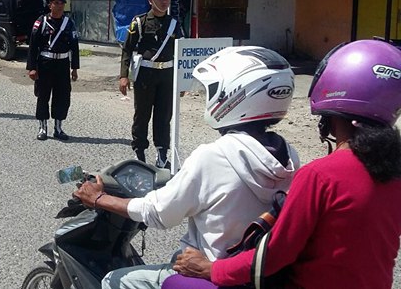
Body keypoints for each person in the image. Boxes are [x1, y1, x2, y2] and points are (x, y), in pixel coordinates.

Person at [169, 39, 401, 289]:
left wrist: (211, 268)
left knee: (175, 283)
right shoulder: (395, 175)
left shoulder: (320, 176)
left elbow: (274, 256)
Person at [73, 46, 299, 289]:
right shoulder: (289, 156)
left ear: (234, 94)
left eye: (212, 90)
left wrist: (98, 198)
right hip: (251, 273)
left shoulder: (213, 156)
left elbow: (158, 213)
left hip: (210, 271)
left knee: (113, 280)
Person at [119, 0, 183, 168]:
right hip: (146, 75)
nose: (164, 2)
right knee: (142, 114)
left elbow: (181, 51)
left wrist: (181, 80)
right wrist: (124, 75)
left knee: (164, 116)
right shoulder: (139, 22)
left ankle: (162, 154)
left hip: (167, 76)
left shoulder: (173, 24)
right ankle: (139, 151)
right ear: (150, 0)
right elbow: (127, 49)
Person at [26, 0, 79, 141]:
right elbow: (33, 46)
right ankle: (42, 127)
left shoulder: (68, 23)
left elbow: (74, 46)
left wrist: (74, 68)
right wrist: (32, 67)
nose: (60, 6)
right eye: (56, 3)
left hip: (62, 64)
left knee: (62, 96)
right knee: (43, 96)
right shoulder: (41, 22)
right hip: (45, 63)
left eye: (62, 4)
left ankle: (58, 128)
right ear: (50, 5)